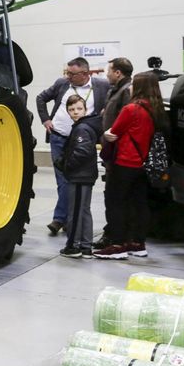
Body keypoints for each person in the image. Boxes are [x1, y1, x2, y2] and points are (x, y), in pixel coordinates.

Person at [95, 72, 169, 260]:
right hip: (143, 164)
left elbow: (114, 131)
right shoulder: (156, 109)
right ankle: (137, 243)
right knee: (139, 203)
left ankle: (117, 245)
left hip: (125, 163)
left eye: (133, 84)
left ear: (139, 87)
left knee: (115, 203)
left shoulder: (131, 109)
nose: (129, 86)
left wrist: (108, 133)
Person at [34, 57, 109, 236]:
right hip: (58, 138)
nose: (68, 76)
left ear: (84, 74)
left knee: (75, 180)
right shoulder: (62, 84)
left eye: (72, 74)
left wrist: (107, 111)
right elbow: (40, 98)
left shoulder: (101, 86)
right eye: (66, 72)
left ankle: (63, 219)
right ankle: (63, 219)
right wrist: (45, 119)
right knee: (63, 181)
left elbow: (119, 95)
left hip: (81, 141)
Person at [54, 95, 100, 259]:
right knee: (84, 211)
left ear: (85, 109)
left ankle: (73, 246)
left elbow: (82, 151)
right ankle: (86, 247)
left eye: (79, 109)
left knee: (75, 212)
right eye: (72, 109)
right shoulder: (82, 126)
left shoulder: (81, 129)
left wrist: (66, 165)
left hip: (80, 177)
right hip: (84, 176)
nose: (75, 112)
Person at [94, 57, 133, 248]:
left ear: (118, 73)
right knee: (111, 194)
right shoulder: (114, 90)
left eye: (109, 70)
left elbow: (126, 122)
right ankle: (113, 233)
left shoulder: (127, 91)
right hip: (110, 152)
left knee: (114, 196)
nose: (106, 74)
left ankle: (115, 237)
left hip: (118, 153)